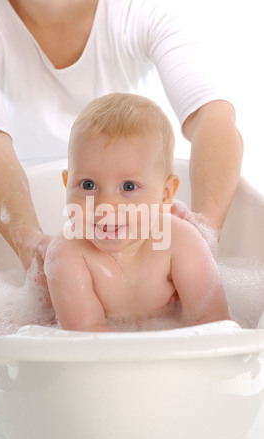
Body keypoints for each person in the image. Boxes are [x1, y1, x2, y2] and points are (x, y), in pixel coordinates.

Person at [0, 0, 243, 281]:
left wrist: (204, 230)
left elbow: (212, 115)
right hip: (19, 199)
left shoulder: (141, 9)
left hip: (133, 211)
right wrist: (28, 241)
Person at [44, 93, 229, 332]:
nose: (105, 206)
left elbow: (214, 324)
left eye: (128, 187)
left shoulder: (181, 242)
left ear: (165, 194)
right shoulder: (67, 253)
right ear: (67, 183)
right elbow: (87, 336)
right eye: (88, 185)